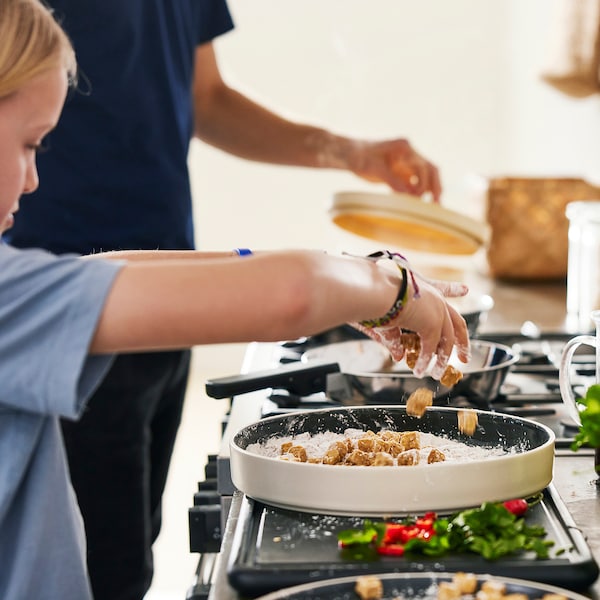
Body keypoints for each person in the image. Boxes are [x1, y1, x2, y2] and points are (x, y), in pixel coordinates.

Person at [0, 2, 468, 598]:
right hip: (79, 339)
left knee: (123, 564)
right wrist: (388, 287)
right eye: (30, 144)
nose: (34, 177)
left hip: (121, 308)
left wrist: (355, 279)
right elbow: (292, 293)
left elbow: (101, 270)